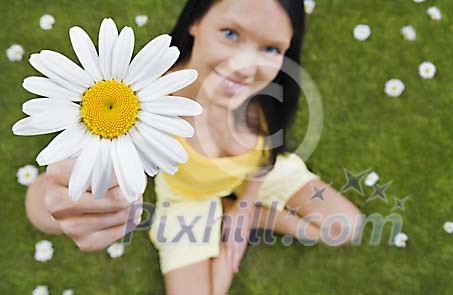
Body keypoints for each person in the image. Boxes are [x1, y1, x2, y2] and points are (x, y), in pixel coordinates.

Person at [24, 0, 363, 294]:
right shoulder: (146, 106)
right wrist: (54, 201)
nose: (246, 64)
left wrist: (245, 210)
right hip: (189, 197)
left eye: (271, 48)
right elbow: (71, 181)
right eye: (231, 33)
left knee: (346, 227)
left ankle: (257, 217)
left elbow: (267, 157)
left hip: (259, 175)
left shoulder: (264, 99)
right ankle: (223, 218)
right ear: (195, 21)